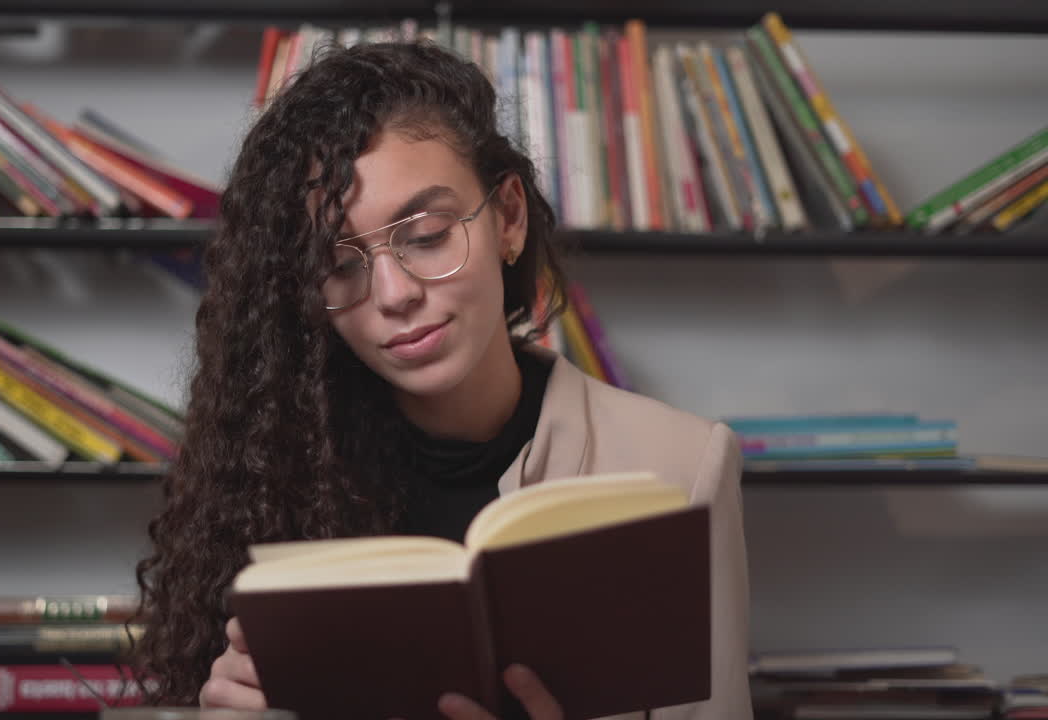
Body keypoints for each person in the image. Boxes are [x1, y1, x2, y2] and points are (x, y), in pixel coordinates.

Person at [134, 41, 750, 720]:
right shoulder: (269, 471)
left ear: (508, 218)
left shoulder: (681, 466)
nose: (393, 294)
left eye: (426, 234)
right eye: (339, 264)